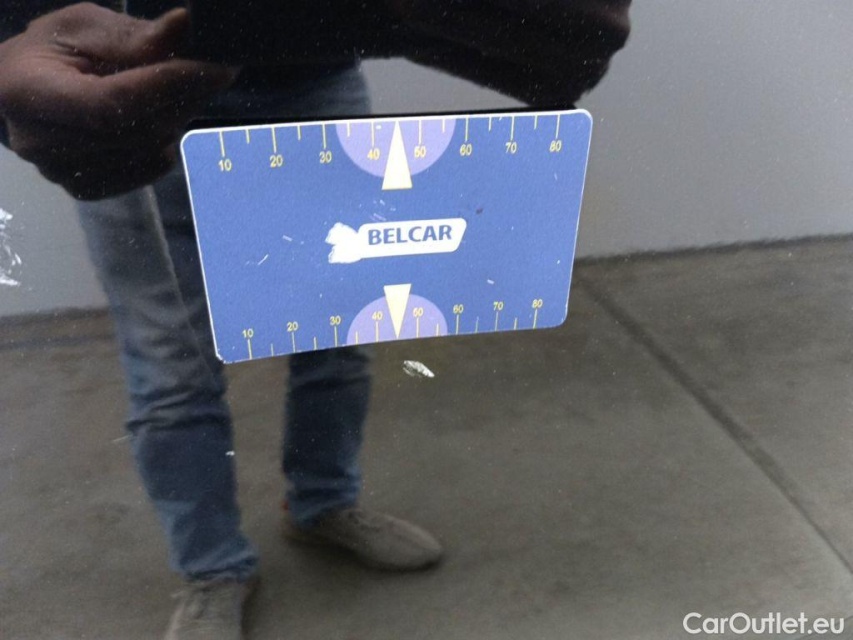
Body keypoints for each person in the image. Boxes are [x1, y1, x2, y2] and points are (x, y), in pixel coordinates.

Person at [0, 2, 630, 638]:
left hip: (310, 78)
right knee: (172, 366)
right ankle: (212, 569)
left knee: (342, 332)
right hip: (121, 78)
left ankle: (323, 504)